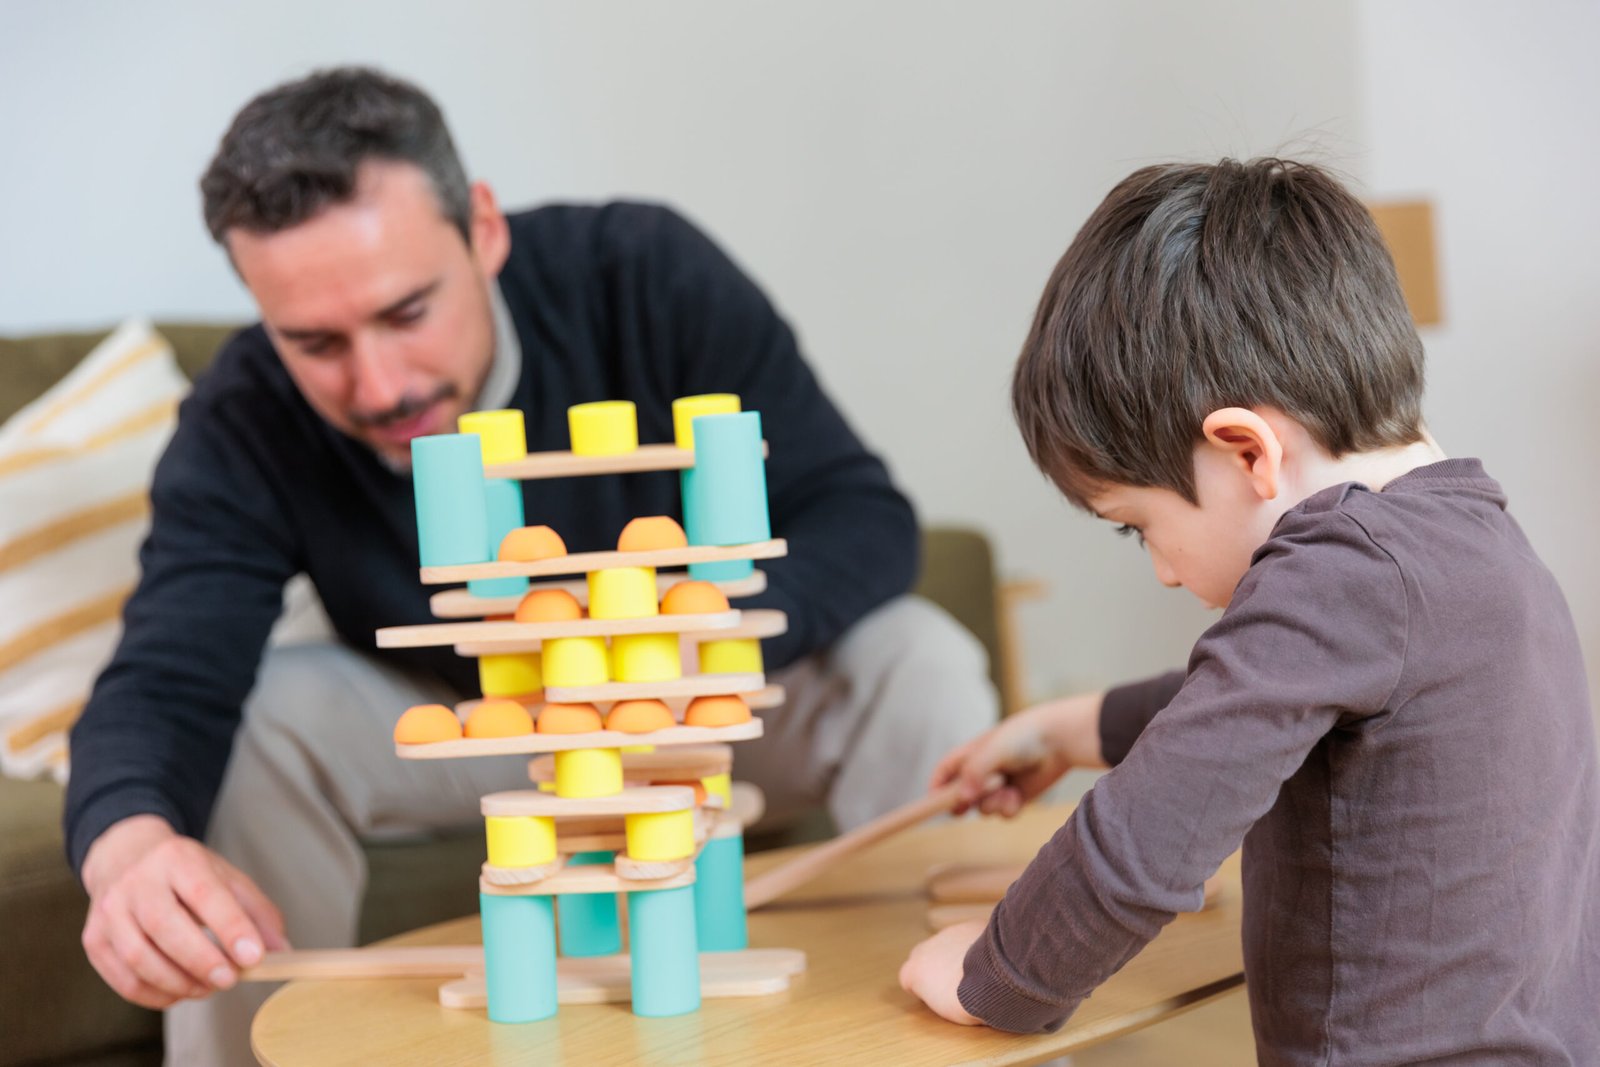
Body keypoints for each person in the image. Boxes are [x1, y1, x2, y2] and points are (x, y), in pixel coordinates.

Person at [65, 67, 996, 1065]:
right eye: (315, 341)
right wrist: (126, 847)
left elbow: (860, 514)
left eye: (408, 311)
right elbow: (169, 669)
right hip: (479, 712)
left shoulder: (642, 271)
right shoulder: (247, 409)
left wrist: (684, 648)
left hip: (691, 698)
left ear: (484, 230)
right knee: (264, 715)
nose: (379, 386)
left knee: (917, 653)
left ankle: (987, 1002)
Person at [899, 158, 1600, 1063]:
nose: (1161, 570)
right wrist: (1070, 728)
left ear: (1245, 452)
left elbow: (1144, 841)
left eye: (1137, 527)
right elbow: (1249, 701)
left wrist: (995, 974)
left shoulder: (1341, 570)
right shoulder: (1476, 545)